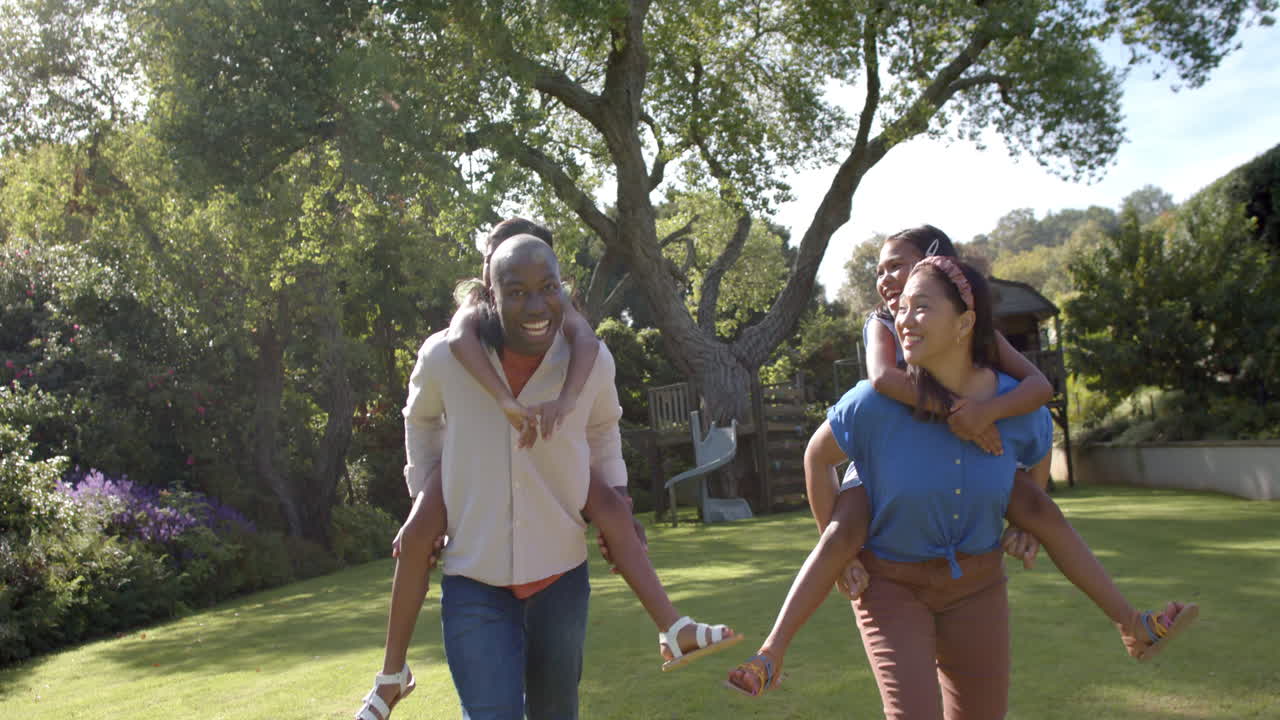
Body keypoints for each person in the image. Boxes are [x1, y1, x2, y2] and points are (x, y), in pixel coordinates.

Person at [726, 256, 1198, 717]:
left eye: (922, 307)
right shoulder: (873, 403)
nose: (904, 319)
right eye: (902, 307)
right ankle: (772, 653)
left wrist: (1026, 527)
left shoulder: (1014, 409)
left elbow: (1036, 463)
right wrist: (842, 552)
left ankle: (1133, 625)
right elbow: (818, 456)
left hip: (978, 587)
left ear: (965, 323)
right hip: (890, 586)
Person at [353, 229, 738, 720]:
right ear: (490, 290)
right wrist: (429, 492)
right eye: (515, 291)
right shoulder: (447, 356)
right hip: (475, 578)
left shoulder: (588, 357)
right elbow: (420, 418)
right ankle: (391, 676)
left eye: (547, 287)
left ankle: (673, 628)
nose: (535, 306)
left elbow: (603, 429)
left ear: (562, 285)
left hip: (560, 577)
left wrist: (617, 499)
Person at [822, 225, 1053, 598]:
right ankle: (779, 641)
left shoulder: (972, 329)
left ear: (938, 263)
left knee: (1034, 471)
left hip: (960, 457)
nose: (885, 279)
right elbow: (882, 377)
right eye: (879, 271)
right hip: (890, 453)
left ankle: (1125, 616)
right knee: (843, 527)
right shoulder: (882, 322)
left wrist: (987, 412)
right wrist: (957, 411)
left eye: (896, 266)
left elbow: (1039, 387)